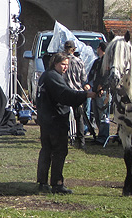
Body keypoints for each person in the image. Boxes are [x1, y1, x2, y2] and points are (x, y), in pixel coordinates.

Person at [36, 53, 96, 194]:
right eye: (63, 64)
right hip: (54, 120)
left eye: (67, 65)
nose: (65, 67)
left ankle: (43, 182)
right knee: (58, 151)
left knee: (47, 150)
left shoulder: (47, 76)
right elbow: (65, 94)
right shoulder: (52, 77)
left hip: (47, 119)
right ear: (55, 63)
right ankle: (57, 184)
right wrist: (85, 95)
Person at [63, 40, 89, 148]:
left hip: (66, 91)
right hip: (77, 92)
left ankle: (65, 139)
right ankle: (81, 142)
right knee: (79, 118)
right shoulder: (80, 62)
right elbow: (84, 79)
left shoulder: (63, 62)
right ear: (74, 50)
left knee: (64, 116)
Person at [87, 42, 110, 145]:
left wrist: (102, 86)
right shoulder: (97, 61)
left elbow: (107, 76)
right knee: (96, 114)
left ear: (100, 48)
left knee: (103, 115)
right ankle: (99, 135)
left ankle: (103, 137)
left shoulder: (107, 61)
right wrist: (89, 84)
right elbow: (92, 75)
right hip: (94, 90)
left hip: (103, 92)